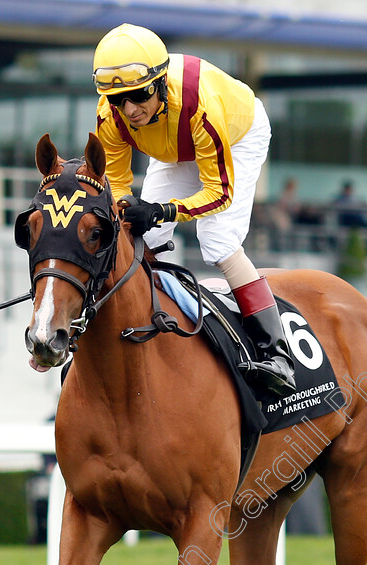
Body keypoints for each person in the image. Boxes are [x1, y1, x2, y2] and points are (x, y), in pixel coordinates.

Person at [92, 23, 295, 396]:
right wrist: (129, 205)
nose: (130, 110)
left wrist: (163, 210)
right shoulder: (110, 114)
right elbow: (116, 183)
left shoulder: (199, 104)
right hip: (174, 145)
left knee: (217, 239)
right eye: (119, 99)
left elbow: (218, 194)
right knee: (141, 235)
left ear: (159, 82)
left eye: (139, 95)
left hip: (236, 135)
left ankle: (277, 354)